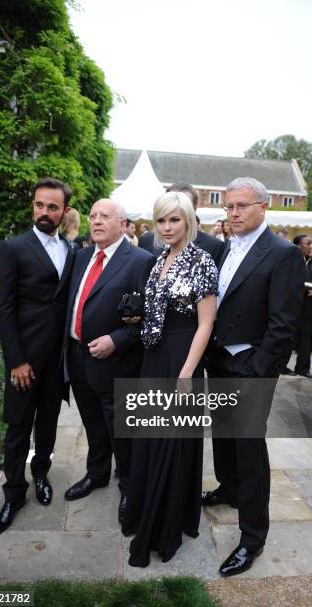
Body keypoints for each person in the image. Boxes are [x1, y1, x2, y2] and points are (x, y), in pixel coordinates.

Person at [202, 177, 305, 577]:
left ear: (263, 208)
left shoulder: (282, 254)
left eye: (241, 206)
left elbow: (284, 324)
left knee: (249, 445)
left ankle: (252, 537)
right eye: (229, 207)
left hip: (251, 368)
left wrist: (260, 370)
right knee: (224, 436)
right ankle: (229, 488)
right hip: (219, 361)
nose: (233, 213)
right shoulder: (225, 248)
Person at [122, 191, 218, 566]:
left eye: (174, 220)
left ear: (188, 221)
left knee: (171, 442)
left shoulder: (202, 261)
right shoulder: (159, 258)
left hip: (181, 358)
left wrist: (188, 372)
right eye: (161, 220)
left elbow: (206, 323)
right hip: (153, 356)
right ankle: (146, 510)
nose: (166, 227)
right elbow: (156, 310)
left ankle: (165, 525)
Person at [0, 177, 76, 535]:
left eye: (52, 207)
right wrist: (16, 360)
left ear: (64, 211)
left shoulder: (72, 251)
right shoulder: (13, 248)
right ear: (34, 206)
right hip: (24, 360)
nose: (44, 212)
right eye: (40, 205)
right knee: (17, 427)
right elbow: (4, 309)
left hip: (57, 359)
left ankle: (41, 474)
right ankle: (13, 494)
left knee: (47, 423)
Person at [63, 199, 155, 523]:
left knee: (121, 429)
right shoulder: (81, 256)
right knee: (92, 423)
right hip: (77, 357)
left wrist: (117, 339)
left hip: (116, 362)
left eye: (105, 216)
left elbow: (150, 318)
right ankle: (97, 473)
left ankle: (129, 485)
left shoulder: (141, 260)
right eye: (92, 216)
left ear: (122, 222)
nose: (97, 221)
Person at [138, 182, 225, 266]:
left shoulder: (213, 246)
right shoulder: (146, 241)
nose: (167, 227)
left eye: (175, 220)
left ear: (193, 210)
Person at [293, 234, 312, 377]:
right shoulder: (294, 259)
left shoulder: (303, 259)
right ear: (299, 245)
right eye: (307, 243)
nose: (310, 246)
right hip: (294, 306)